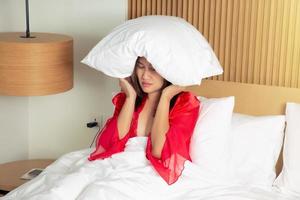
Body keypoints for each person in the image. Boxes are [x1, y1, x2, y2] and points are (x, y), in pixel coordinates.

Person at [88, 56, 200, 185]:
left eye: (153, 69)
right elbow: (110, 144)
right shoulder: (127, 98)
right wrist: (130, 97)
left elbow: (159, 152)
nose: (145, 76)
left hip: (156, 177)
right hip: (120, 168)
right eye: (141, 67)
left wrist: (166, 97)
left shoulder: (185, 103)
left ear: (168, 72)